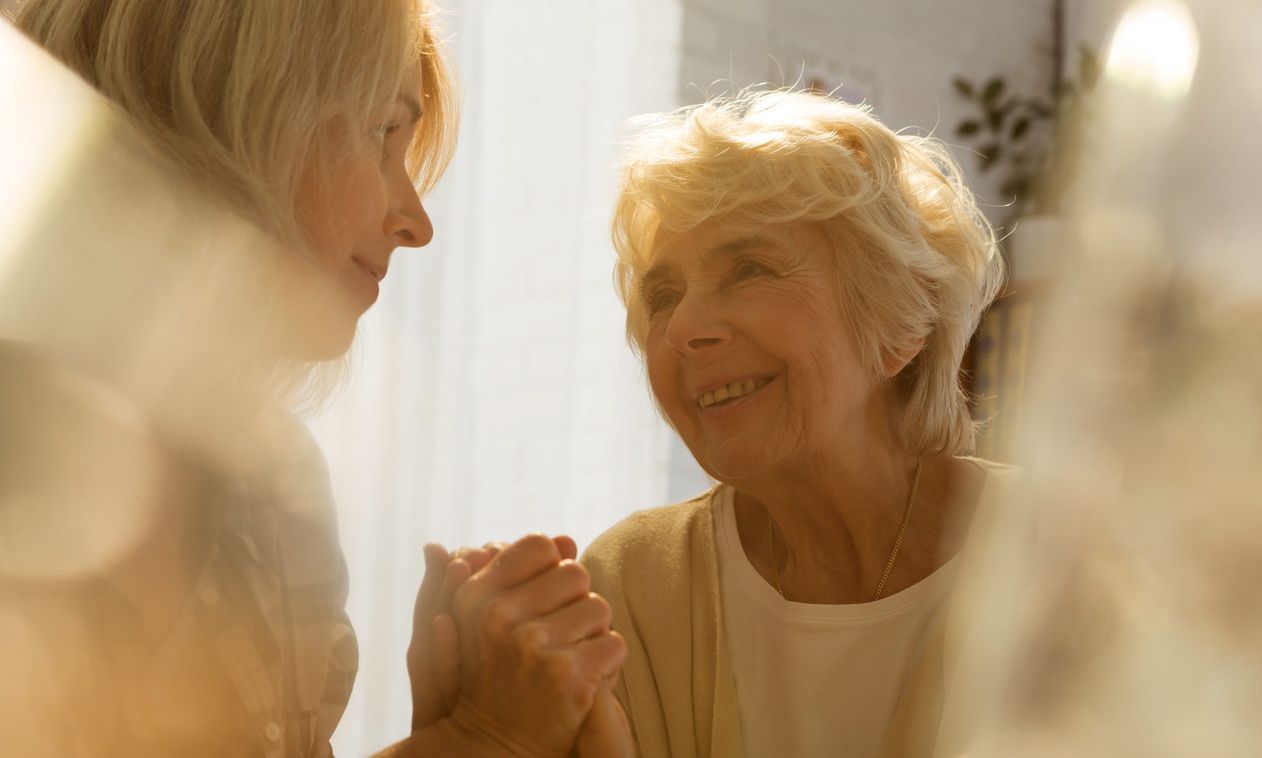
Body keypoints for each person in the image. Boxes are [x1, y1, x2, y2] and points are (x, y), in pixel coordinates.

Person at [0, 1, 623, 756]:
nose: (417, 222)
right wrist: (485, 737)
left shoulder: (275, 487)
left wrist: (462, 732)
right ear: (230, 105)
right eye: (382, 133)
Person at [578, 89, 1015, 757]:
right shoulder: (628, 586)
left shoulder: (1075, 558)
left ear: (898, 325)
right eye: (664, 296)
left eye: (749, 270)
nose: (685, 329)